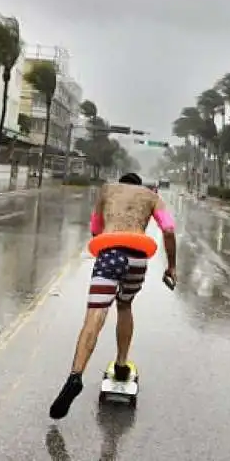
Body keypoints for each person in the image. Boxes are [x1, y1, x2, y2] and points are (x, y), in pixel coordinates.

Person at [49, 172, 177, 419]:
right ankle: (121, 364)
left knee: (94, 317)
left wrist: (107, 253)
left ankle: (75, 377)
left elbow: (96, 229)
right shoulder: (151, 197)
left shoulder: (107, 191)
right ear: (139, 186)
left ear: (121, 183)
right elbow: (169, 230)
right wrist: (171, 267)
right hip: (138, 259)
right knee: (125, 306)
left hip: (110, 255)